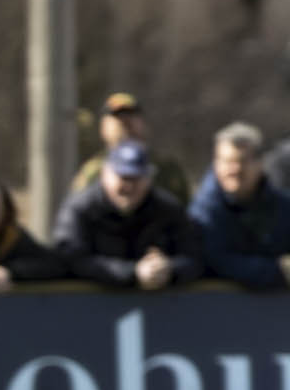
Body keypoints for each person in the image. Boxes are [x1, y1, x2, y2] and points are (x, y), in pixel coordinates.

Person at [53, 140, 202, 290]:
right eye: (123, 177)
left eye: (136, 178)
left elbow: (194, 257)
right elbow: (71, 258)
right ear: (105, 174)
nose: (129, 187)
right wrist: (133, 272)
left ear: (149, 179)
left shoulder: (168, 209)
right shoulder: (81, 208)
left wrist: (169, 269)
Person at [190, 121, 290, 291]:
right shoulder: (204, 210)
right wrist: (278, 270)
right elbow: (216, 261)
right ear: (215, 163)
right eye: (227, 161)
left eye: (243, 161)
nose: (235, 169)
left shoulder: (281, 204)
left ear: (260, 163)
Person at [71, 92, 192, 203]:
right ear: (103, 127)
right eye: (118, 118)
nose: (125, 123)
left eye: (131, 116)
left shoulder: (166, 169)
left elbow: (186, 213)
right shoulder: (94, 171)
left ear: (143, 123)